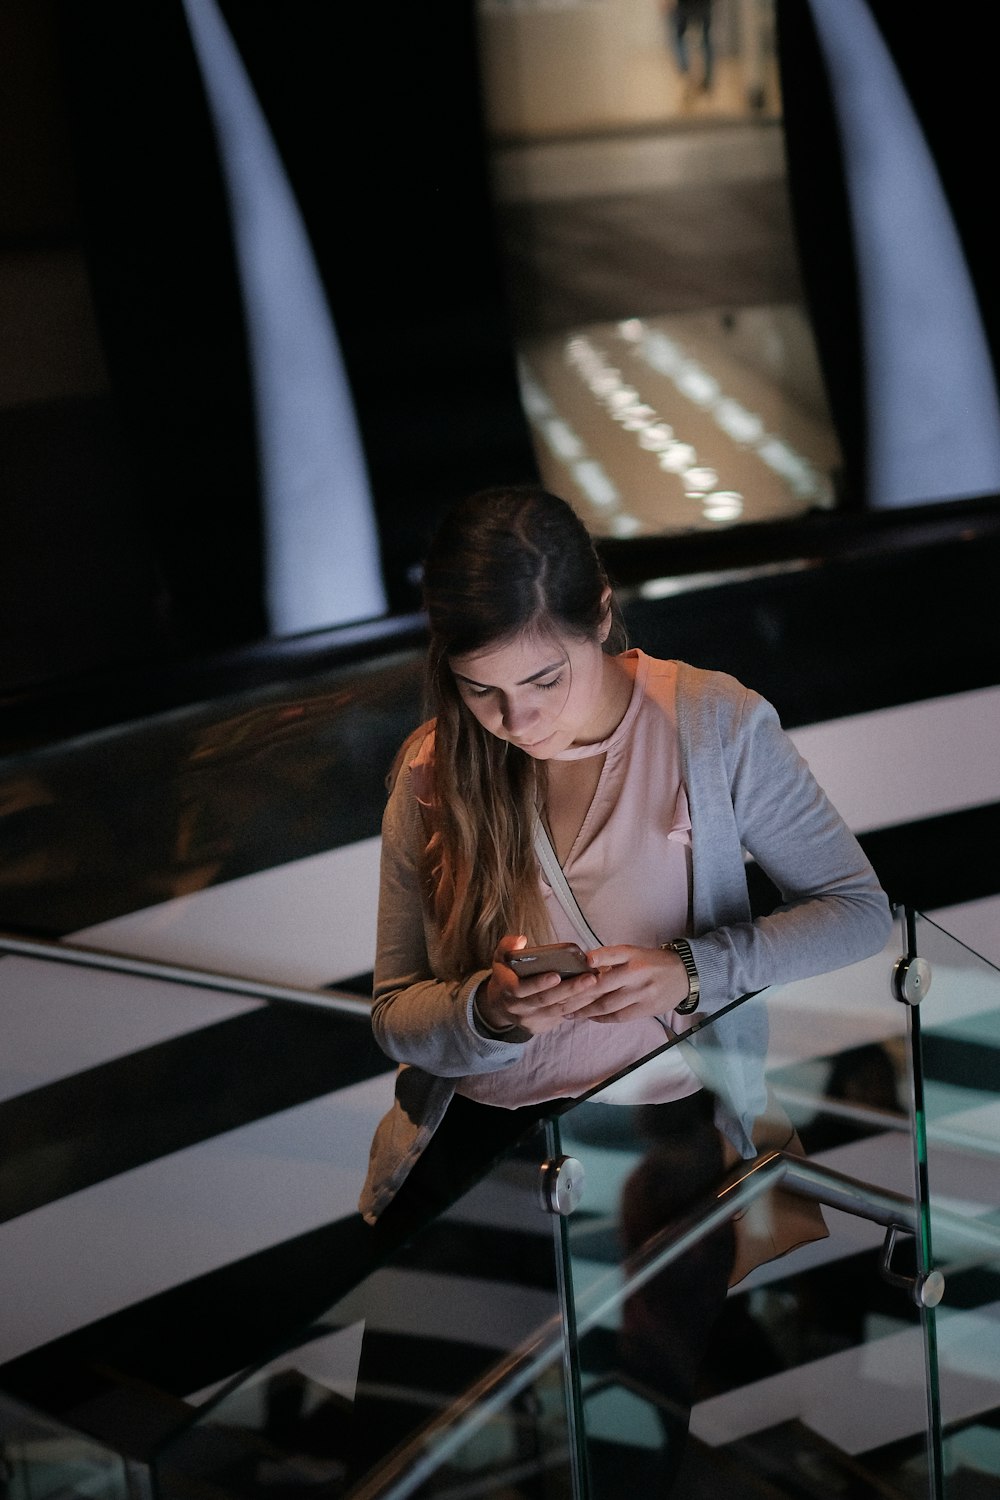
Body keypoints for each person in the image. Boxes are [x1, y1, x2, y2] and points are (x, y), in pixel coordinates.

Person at [355, 484, 891, 1479]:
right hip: (475, 1164)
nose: (518, 720)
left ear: (600, 613)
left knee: (620, 1460)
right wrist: (485, 1008)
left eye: (544, 679)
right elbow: (395, 1014)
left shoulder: (710, 724)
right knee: (403, 1454)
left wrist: (687, 972)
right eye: (481, 690)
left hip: (656, 1162)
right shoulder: (430, 769)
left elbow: (856, 911)